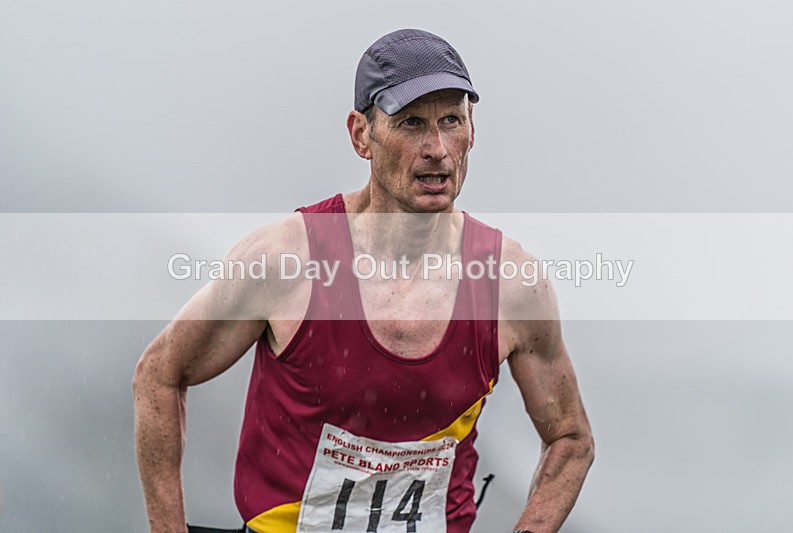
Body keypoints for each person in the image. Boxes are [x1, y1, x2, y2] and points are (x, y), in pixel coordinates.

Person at [133, 28, 594, 533]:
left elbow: (570, 439)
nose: (437, 148)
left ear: (472, 130)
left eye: (451, 121)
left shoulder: (512, 284)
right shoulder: (286, 260)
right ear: (361, 135)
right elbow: (159, 373)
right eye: (412, 123)